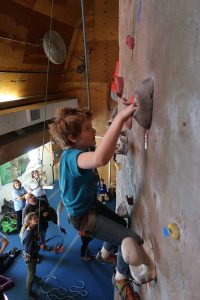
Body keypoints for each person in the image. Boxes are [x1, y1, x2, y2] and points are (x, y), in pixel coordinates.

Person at [49, 106, 156, 299]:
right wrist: (120, 119)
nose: (94, 131)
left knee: (121, 224)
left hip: (89, 206)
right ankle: (121, 279)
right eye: (88, 128)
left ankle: (106, 253)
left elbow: (96, 153)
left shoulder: (78, 150)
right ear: (73, 138)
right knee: (128, 238)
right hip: (83, 216)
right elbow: (99, 159)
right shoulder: (73, 157)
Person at [20, 212, 40, 300]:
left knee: (33, 269)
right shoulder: (28, 234)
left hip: (33, 253)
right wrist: (40, 247)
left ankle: (34, 276)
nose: (37, 219)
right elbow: (29, 249)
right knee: (31, 273)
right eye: (34, 218)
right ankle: (28, 291)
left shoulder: (32, 227)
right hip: (30, 255)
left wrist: (37, 239)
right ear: (29, 221)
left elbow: (34, 239)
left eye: (36, 217)